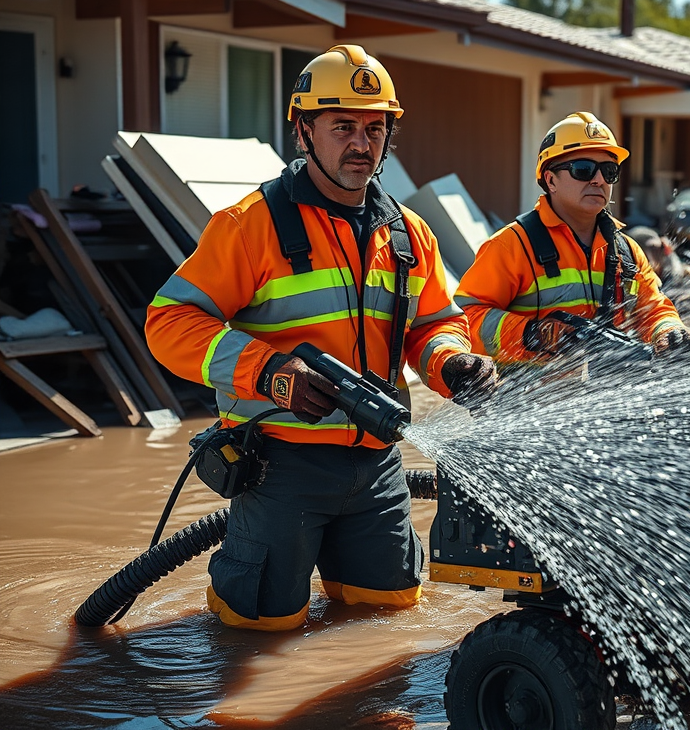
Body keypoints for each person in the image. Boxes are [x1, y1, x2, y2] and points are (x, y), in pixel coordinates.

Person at [145, 45, 496, 631]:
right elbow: (169, 322)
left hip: (377, 465)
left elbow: (435, 324)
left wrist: (453, 364)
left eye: (375, 128)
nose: (362, 144)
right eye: (343, 127)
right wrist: (269, 373)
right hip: (282, 465)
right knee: (258, 630)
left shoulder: (409, 234)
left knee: (386, 617)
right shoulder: (250, 226)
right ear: (304, 130)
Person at [454, 111, 690, 367]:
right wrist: (532, 335)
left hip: (610, 400)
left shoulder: (625, 251)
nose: (598, 180)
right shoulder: (512, 246)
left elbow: (653, 309)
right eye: (583, 169)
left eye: (609, 171)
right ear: (551, 180)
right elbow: (465, 319)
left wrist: (671, 332)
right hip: (527, 401)